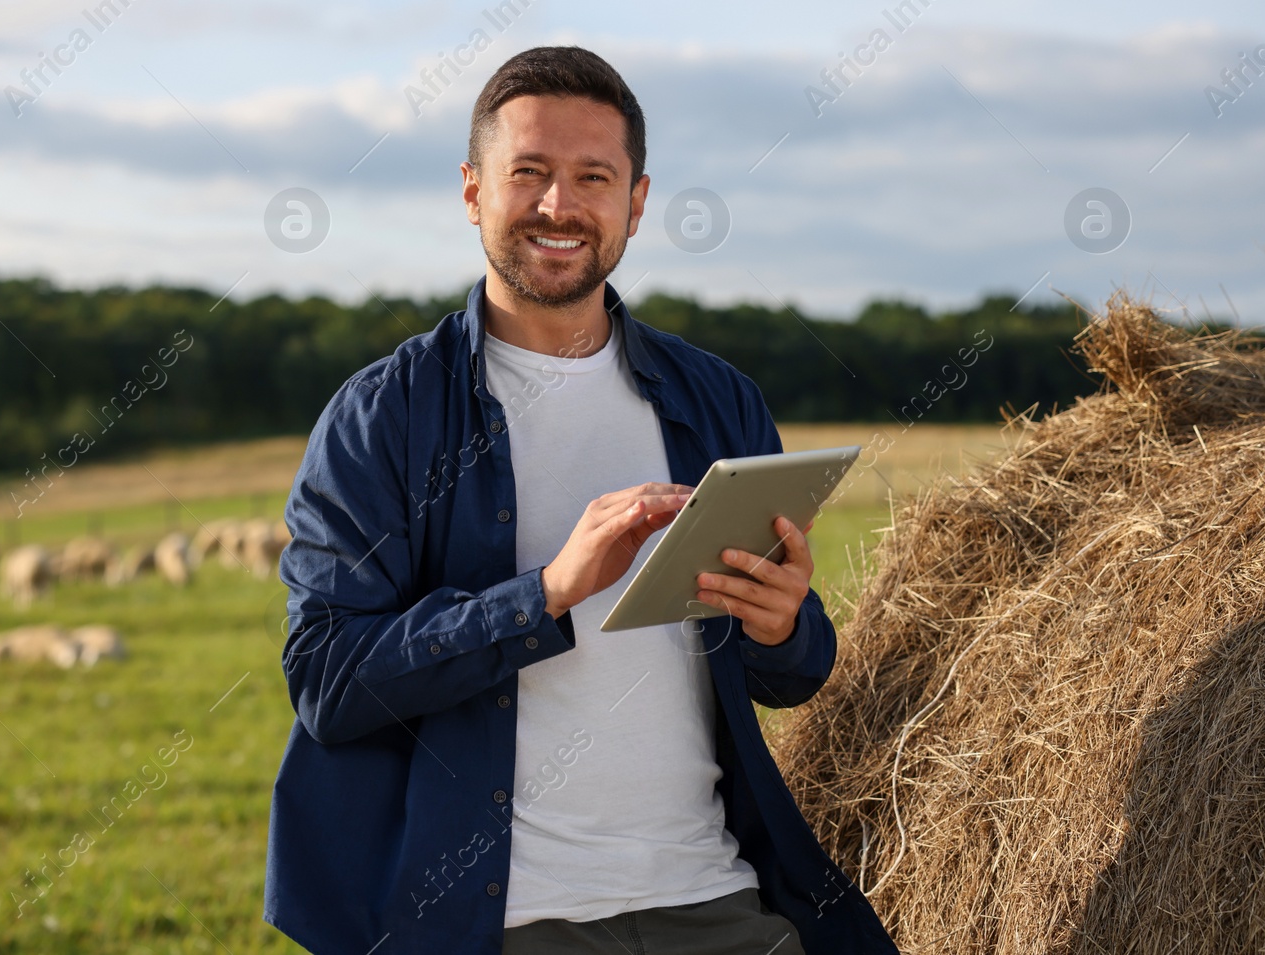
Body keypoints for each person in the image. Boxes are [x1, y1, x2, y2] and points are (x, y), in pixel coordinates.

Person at [264, 46, 897, 954]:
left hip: (713, 896)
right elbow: (327, 679)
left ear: (635, 203)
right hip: (505, 920)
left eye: (593, 177)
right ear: (474, 189)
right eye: (529, 172)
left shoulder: (721, 400)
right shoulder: (382, 417)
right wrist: (545, 593)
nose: (560, 206)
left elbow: (793, 673)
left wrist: (781, 625)